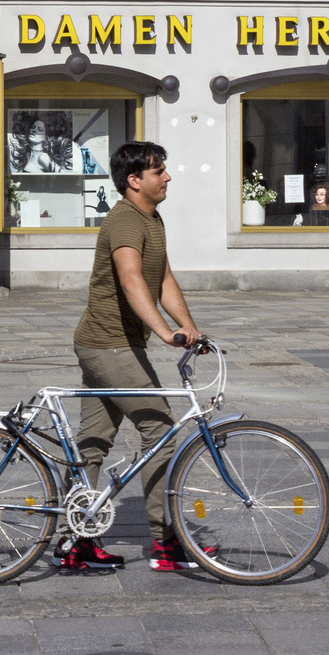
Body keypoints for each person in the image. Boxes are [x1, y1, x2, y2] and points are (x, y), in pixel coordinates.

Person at [56, 140, 209, 573]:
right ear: (134, 181)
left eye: (165, 168)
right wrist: (164, 332)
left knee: (93, 441)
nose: (167, 176)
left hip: (107, 342)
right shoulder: (124, 222)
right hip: (109, 344)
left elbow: (162, 280)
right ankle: (166, 542)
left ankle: (76, 541)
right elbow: (130, 278)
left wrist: (190, 327)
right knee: (160, 430)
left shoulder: (151, 219)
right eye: (159, 171)